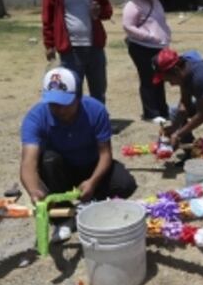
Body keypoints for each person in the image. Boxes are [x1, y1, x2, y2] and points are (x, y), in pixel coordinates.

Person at [19, 68, 137, 240]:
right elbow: (28, 164)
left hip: (91, 165)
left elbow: (105, 154)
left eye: (64, 103)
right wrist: (33, 191)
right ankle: (63, 219)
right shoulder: (36, 117)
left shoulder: (96, 110)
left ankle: (91, 204)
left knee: (125, 184)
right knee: (48, 160)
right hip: (60, 171)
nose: (58, 109)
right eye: (53, 103)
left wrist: (93, 182)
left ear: (78, 97)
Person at [41, 0, 114, 103]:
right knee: (73, 89)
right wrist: (49, 44)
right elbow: (47, 17)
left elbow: (108, 11)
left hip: (94, 45)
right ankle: (78, 124)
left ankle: (98, 120)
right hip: (70, 48)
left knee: (99, 88)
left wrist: (99, 11)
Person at [122, 0, 171, 121]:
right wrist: (148, 36)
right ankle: (151, 112)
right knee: (148, 78)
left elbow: (160, 20)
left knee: (159, 77)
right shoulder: (133, 5)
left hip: (158, 46)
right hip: (141, 47)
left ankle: (163, 109)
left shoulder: (155, 1)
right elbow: (128, 26)